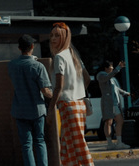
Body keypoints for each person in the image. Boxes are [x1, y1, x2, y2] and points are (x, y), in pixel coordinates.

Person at [47, 22, 94, 166]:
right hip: (79, 103)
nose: (53, 39)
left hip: (67, 105)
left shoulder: (60, 57)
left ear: (64, 37)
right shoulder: (74, 55)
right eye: (52, 35)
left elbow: (59, 86)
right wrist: (78, 90)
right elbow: (87, 78)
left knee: (77, 143)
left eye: (57, 36)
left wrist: (51, 108)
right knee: (67, 145)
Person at [8, 34, 52, 166]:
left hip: (19, 109)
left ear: (19, 48)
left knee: (26, 144)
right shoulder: (38, 66)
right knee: (39, 140)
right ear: (32, 46)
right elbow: (45, 91)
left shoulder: (11, 65)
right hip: (37, 109)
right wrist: (55, 95)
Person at [97, 60, 131, 150]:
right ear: (106, 68)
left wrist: (125, 93)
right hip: (108, 102)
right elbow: (107, 77)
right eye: (111, 66)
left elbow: (116, 88)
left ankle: (119, 142)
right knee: (108, 122)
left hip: (115, 103)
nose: (112, 68)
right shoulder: (101, 75)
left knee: (120, 121)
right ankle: (109, 143)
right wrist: (118, 68)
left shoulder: (112, 78)